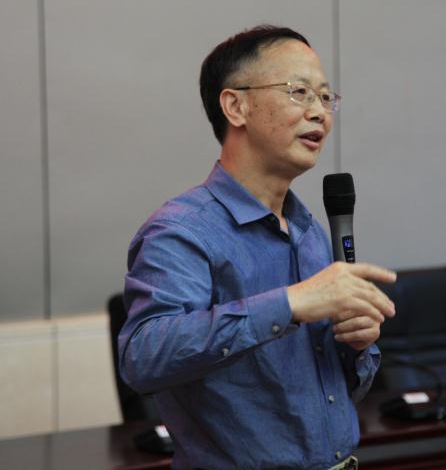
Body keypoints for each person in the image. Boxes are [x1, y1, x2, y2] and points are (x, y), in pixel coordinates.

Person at [118, 25, 397, 470]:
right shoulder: (182, 230)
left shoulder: (309, 232)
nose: (319, 113)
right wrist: (291, 303)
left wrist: (357, 346)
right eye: (299, 92)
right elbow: (144, 357)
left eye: (326, 97)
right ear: (236, 106)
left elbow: (336, 393)